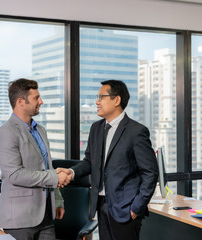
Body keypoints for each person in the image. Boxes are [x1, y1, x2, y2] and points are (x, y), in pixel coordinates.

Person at [57, 80, 159, 240]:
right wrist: (71, 172)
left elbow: (150, 173)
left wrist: (136, 207)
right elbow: (89, 162)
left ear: (116, 100)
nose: (97, 102)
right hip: (101, 205)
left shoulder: (136, 131)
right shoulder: (96, 128)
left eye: (101, 97)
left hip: (126, 208)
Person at [0, 78, 71, 240]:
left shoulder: (40, 130)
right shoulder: (5, 132)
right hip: (19, 219)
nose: (41, 102)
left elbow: (47, 167)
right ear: (21, 101)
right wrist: (55, 177)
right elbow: (15, 174)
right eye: (36, 98)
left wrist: (57, 200)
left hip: (46, 216)